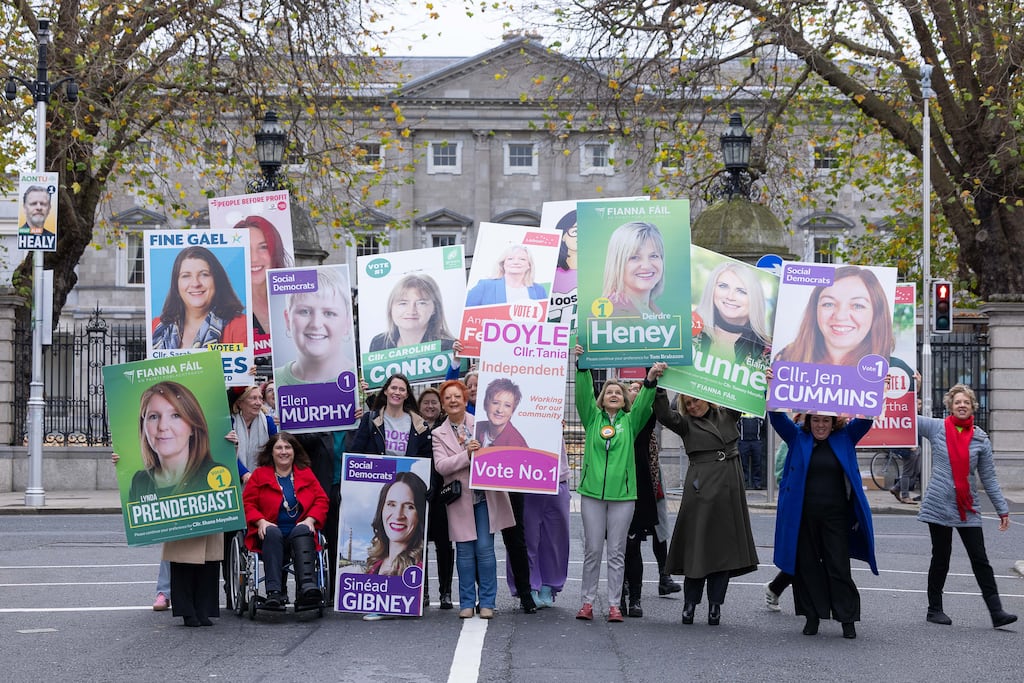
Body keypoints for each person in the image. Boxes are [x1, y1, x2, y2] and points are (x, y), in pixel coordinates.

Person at [574, 344, 664, 623]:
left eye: (618, 393)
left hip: (623, 496)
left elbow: (646, 401)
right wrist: (581, 365)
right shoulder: (591, 419)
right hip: (591, 494)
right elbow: (582, 394)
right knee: (593, 550)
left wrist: (651, 379)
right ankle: (587, 602)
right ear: (601, 400)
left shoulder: (630, 421)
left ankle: (614, 604)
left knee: (616, 552)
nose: (613, 394)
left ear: (625, 401)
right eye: (608, 392)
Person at [653, 388, 759, 626]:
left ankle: (715, 606)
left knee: (722, 551)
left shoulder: (728, 414)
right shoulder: (685, 423)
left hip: (728, 487)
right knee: (696, 548)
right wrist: (658, 386)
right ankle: (690, 604)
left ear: (708, 399)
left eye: (695, 400)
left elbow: (745, 392)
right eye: (687, 403)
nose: (691, 406)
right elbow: (663, 414)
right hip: (700, 489)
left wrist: (761, 378)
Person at [768, 409, 877, 639]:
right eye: (815, 420)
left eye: (825, 420)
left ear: (833, 422)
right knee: (807, 568)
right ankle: (812, 616)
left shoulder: (846, 436)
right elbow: (777, 417)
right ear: (808, 421)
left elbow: (866, 417)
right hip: (803, 517)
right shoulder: (797, 436)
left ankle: (847, 619)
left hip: (836, 518)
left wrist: (880, 387)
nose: (820, 425)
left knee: (838, 567)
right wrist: (771, 388)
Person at [917, 384, 1017, 628]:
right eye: (957, 401)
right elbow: (905, 416)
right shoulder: (937, 428)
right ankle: (934, 609)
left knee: (980, 558)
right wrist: (916, 389)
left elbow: (989, 478)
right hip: (939, 504)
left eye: (966, 402)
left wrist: (1002, 508)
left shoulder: (981, 439)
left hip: (967, 506)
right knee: (941, 557)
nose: (962, 405)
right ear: (950, 406)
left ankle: (997, 612)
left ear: (973, 406)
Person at [432, 379, 515, 620]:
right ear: (443, 405)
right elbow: (441, 466)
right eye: (448, 398)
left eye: (457, 396)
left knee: (485, 550)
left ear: (465, 399)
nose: (453, 401)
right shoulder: (438, 434)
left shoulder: (483, 423)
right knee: (465, 552)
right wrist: (467, 454)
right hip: (459, 500)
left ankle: (487, 602)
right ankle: (467, 602)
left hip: (485, 495)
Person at [243, 432, 329, 610]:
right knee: (272, 532)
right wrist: (260, 521)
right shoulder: (259, 475)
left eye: (288, 447)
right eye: (279, 448)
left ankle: (307, 587)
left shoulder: (305, 474)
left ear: (294, 451)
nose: (284, 452)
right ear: (271, 452)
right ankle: (274, 592)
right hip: (269, 532)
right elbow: (247, 503)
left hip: (299, 531)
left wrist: (311, 519)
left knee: (302, 529)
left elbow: (322, 500)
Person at [474, 377, 538, 614]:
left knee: (515, 540)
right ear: (486, 403)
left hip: (509, 492)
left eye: (507, 405)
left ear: (514, 410)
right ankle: (485, 596)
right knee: (481, 543)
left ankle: (525, 594)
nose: (499, 409)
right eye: (495, 402)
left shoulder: (518, 441)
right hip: (480, 492)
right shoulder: (477, 428)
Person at [775, 265, 893, 367]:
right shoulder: (786, 359)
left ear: (877, 313)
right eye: (829, 304)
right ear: (815, 310)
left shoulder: (894, 370)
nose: (840, 316)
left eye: (857, 305)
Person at [619, 378, 669, 618]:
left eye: (637, 390)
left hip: (638, 490)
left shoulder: (641, 420)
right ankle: (618, 594)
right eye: (630, 389)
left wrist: (653, 382)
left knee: (633, 545)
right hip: (612, 491)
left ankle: (635, 598)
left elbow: (651, 409)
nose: (633, 392)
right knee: (617, 549)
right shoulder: (611, 420)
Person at [129, 381, 216, 499]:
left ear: (193, 427)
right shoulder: (139, 481)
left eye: (176, 415)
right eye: (153, 416)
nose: (163, 426)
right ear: (143, 426)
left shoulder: (215, 475)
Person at [152, 246, 247, 351]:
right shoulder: (157, 327)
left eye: (204, 275)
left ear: (217, 280)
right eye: (186, 276)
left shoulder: (240, 325)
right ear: (176, 284)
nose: (195, 283)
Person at [274, 267, 356, 385]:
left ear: (347, 323)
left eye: (329, 313)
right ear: (287, 319)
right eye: (304, 312)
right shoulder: (274, 382)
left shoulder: (359, 381)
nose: (316, 324)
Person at [521, 437, 571, 610]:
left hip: (556, 476)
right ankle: (530, 587)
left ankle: (548, 586)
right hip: (525, 477)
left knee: (555, 539)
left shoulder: (552, 410)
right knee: (528, 538)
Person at [694, 261, 771, 366]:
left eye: (741, 291)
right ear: (711, 290)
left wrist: (772, 381)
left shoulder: (769, 352)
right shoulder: (687, 329)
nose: (730, 297)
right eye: (723, 286)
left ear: (755, 300)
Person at [418, 387, 454, 609]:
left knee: (444, 544)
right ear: (419, 406)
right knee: (419, 545)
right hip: (419, 493)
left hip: (442, 494)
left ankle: (446, 592)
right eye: (426, 403)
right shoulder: (412, 428)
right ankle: (422, 592)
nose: (430, 406)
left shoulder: (447, 428)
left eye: (434, 402)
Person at [235, 216, 292, 339]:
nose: (254, 258)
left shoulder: (295, 299)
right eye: (245, 248)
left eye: (263, 247)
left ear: (275, 251)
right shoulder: (220, 310)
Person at [369, 273, 457, 351]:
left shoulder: (450, 347)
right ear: (391, 308)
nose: (411, 310)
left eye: (421, 303)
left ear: (435, 308)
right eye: (403, 303)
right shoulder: (378, 343)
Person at [365, 472, 428, 576]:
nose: (398, 515)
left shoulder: (417, 570)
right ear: (382, 509)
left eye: (409, 506)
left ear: (420, 514)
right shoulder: (375, 564)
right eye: (392, 504)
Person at [600, 221, 665, 316]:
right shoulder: (608, 314)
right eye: (634, 257)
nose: (646, 266)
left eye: (654, 256)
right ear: (617, 263)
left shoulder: (653, 311)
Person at [465, 244, 547, 306]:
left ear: (529, 265)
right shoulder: (485, 286)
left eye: (522, 259)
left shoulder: (539, 290)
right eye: (510, 259)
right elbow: (466, 314)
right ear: (503, 264)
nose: (516, 262)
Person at [227, 385, 278, 470]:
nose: (258, 403)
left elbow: (276, 448)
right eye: (253, 398)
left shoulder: (268, 422)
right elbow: (228, 453)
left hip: (262, 476)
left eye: (260, 398)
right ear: (240, 403)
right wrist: (244, 474)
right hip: (234, 476)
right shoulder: (230, 422)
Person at [475, 378, 528, 448]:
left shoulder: (517, 444)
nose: (500, 410)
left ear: (513, 411)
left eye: (507, 405)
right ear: (485, 404)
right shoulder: (476, 427)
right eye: (495, 403)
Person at [737, 413, 765, 489]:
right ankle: (744, 483)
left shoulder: (758, 410)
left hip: (756, 441)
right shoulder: (741, 409)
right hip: (744, 441)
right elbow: (737, 425)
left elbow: (762, 424)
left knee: (757, 464)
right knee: (743, 464)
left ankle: (757, 484)